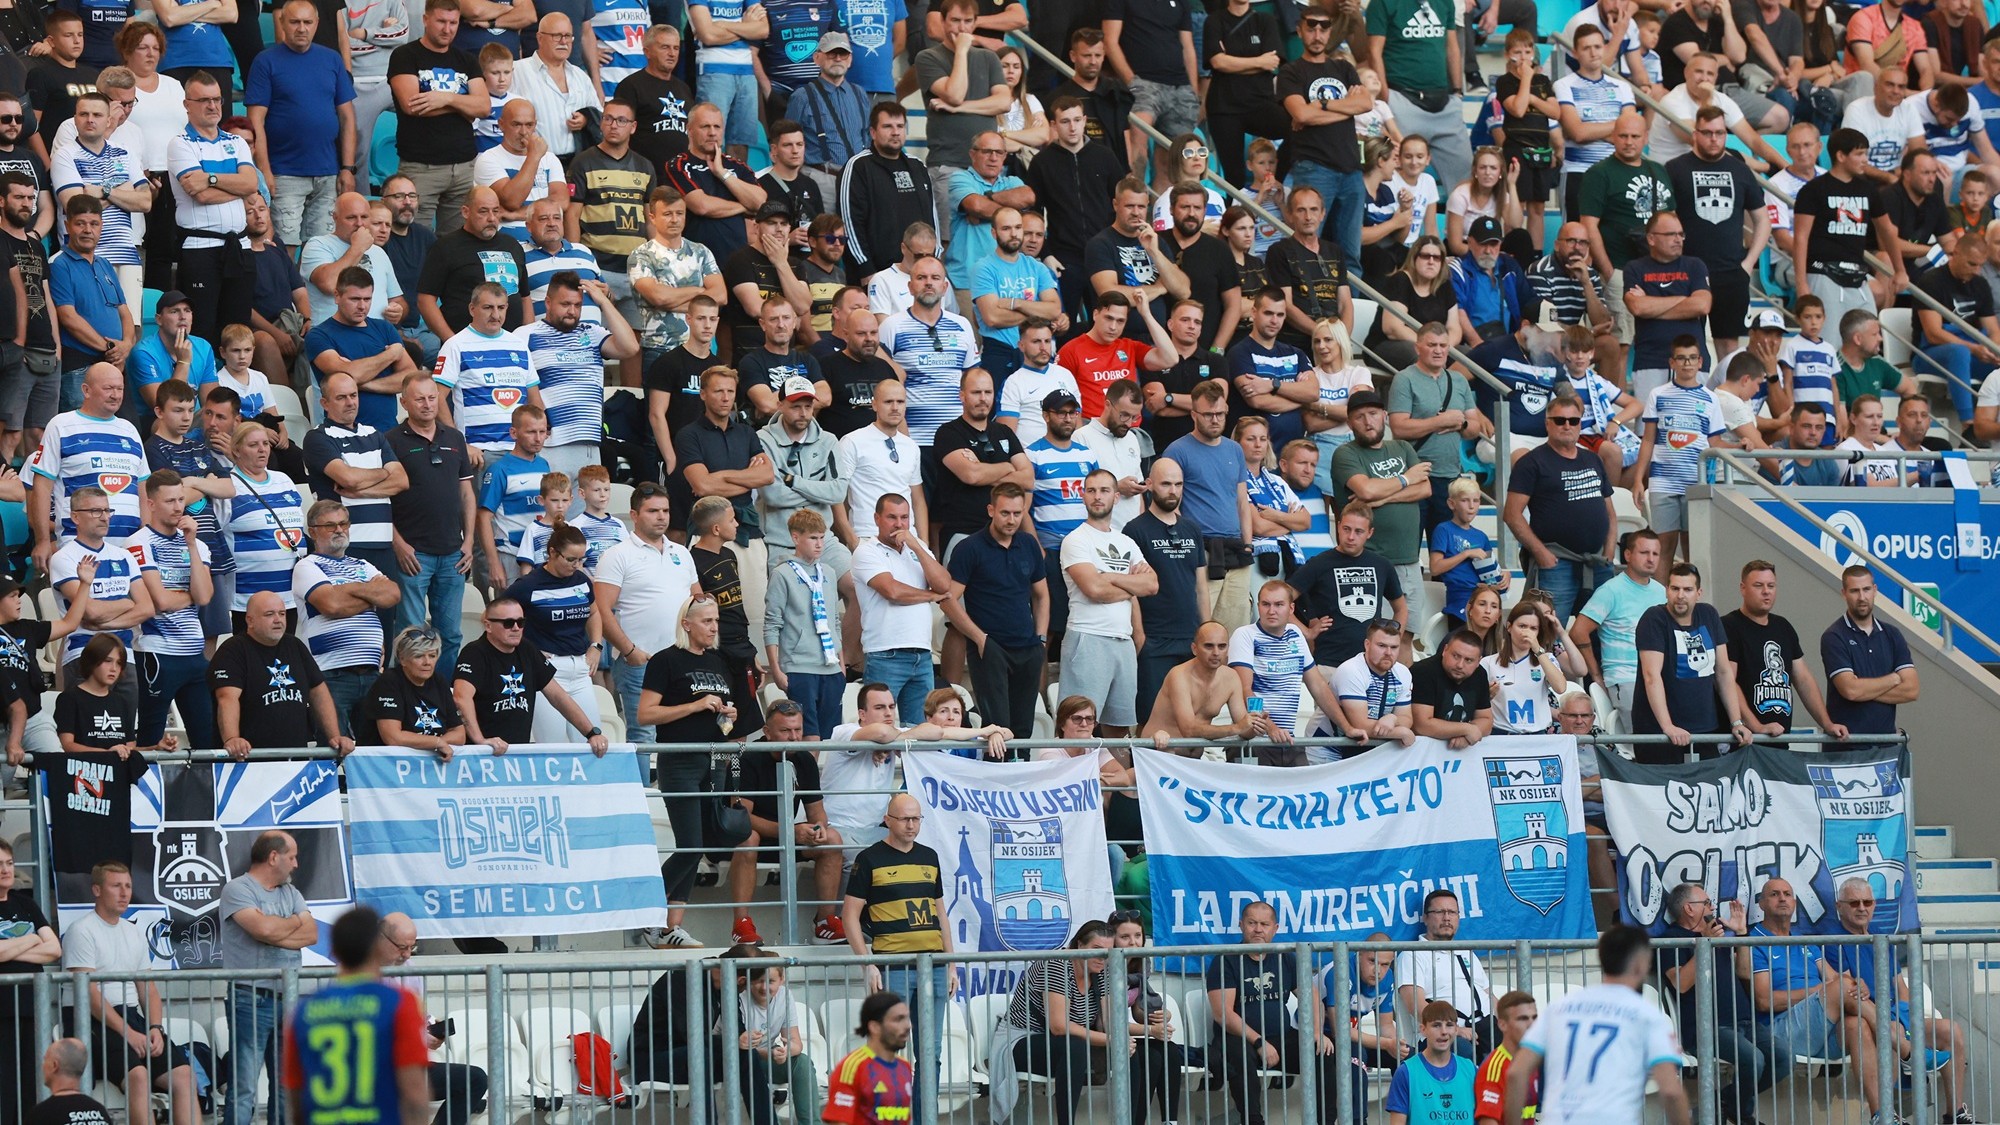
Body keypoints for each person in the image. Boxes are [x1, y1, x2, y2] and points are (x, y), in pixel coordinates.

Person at [1821, 879, 1978, 1125]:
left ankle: (1955, 1114)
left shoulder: (1880, 937)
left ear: (1874, 905)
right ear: (1839, 906)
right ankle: (1884, 1114)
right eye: (1854, 903)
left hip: (1894, 1019)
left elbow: (1901, 989)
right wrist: (1895, 1025)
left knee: (1951, 1030)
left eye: (1867, 902)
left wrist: (1903, 1020)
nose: (1862, 908)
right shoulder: (1833, 940)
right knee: (1884, 1030)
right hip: (1860, 1021)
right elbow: (1850, 992)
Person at [1502, 927, 1691, 1125]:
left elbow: (1516, 1073)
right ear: (1641, 963)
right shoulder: (1647, 1016)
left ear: (1601, 957)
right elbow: (1671, 1092)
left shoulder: (1560, 1008)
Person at [58, 860, 196, 1125]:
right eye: (116, 886)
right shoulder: (81, 930)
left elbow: (148, 987)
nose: (124, 893)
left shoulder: (134, 932)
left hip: (131, 1017)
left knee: (184, 1075)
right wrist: (128, 1033)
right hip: (91, 1021)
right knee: (138, 1076)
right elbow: (88, 993)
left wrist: (155, 1028)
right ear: (97, 890)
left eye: (128, 886)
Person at [841, 793, 953, 1115]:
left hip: (933, 965)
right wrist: (867, 963)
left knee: (930, 1052)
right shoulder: (869, 859)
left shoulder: (930, 857)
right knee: (889, 1050)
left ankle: (923, 1118)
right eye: (904, 818)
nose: (911, 825)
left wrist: (951, 964)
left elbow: (940, 913)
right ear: (887, 820)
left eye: (916, 818)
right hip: (893, 967)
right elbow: (849, 916)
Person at [636, 595, 738, 948]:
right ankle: (647, 909)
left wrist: (728, 715)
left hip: (714, 759)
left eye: (716, 620)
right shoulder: (666, 660)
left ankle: (669, 927)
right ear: (687, 624)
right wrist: (694, 705)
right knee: (691, 844)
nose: (713, 627)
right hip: (679, 759)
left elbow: (723, 719)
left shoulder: (718, 662)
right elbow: (645, 714)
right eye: (707, 621)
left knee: (699, 845)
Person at [1742, 877, 1885, 1122]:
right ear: (1761, 904)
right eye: (1774, 894)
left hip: (1819, 1029)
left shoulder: (1804, 941)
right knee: (1842, 989)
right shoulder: (1755, 941)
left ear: (1795, 902)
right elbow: (1764, 1001)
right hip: (1782, 1033)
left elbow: (1835, 979)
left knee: (1857, 1024)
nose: (1783, 898)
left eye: (1787, 893)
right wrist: (1825, 989)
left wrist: (1855, 984)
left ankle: (1881, 1114)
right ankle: (1901, 1042)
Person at [284, 906, 431, 1125]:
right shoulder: (399, 1003)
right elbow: (414, 1090)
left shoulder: (304, 1012)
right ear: (377, 947)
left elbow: (296, 1096)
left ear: (334, 950)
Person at [1206, 900, 1343, 1125]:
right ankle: (1253, 1121)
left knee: (1324, 1051)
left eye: (1264, 924)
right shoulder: (1225, 960)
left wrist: (1317, 1032)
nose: (1258, 929)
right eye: (1252, 923)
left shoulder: (1285, 958)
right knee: (1238, 1054)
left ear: (1275, 928)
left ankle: (1325, 1122)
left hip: (1280, 1038)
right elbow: (1223, 1015)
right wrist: (1259, 1042)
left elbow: (1312, 998)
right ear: (1241, 925)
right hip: (1239, 1040)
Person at [1654, 881, 1776, 1125]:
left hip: (1743, 1021)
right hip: (1707, 1028)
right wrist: (1705, 944)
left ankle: (1722, 1102)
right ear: (1689, 908)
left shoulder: (1715, 935)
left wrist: (1741, 935)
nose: (1712, 908)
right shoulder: (1672, 938)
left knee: (1782, 1058)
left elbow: (1744, 972)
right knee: (1754, 1060)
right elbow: (1680, 983)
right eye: (1707, 902)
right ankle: (1742, 1115)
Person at [220, 830, 316, 1125]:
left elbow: (311, 934)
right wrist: (293, 922)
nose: (296, 864)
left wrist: (274, 932)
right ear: (274, 857)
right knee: (244, 1087)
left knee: (286, 1085)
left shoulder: (291, 892)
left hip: (288, 999)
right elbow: (262, 930)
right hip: (250, 998)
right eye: (292, 857)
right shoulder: (238, 889)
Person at [246, 1, 359, 247]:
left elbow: (348, 117)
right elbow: (256, 121)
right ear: (282, 23)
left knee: (322, 248)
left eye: (307, 22)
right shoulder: (265, 61)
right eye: (294, 22)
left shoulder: (332, 59)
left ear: (317, 24)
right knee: (284, 246)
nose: (301, 28)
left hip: (328, 172)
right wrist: (265, 171)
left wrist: (347, 168)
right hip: (284, 172)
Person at [386, 376, 477, 671]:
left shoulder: (455, 438)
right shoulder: (390, 441)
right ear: (404, 403)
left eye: (432, 397)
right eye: (419, 399)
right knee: (411, 635)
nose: (427, 404)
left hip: (453, 553)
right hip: (413, 554)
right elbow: (381, 500)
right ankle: (408, 693)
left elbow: (467, 494)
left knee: (450, 635)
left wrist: (468, 541)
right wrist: (398, 544)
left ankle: (443, 691)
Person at [853, 493, 968, 722]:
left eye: (904, 517)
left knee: (920, 731)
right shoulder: (866, 551)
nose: (899, 524)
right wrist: (931, 596)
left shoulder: (917, 548)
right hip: (885, 653)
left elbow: (944, 584)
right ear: (876, 519)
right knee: (879, 729)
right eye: (892, 517)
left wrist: (916, 545)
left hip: (922, 654)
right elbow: (892, 591)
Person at [1503, 393, 1618, 621]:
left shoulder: (1593, 459)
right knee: (1549, 631)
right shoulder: (1531, 462)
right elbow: (1512, 514)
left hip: (1597, 562)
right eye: (1559, 420)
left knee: (1600, 633)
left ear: (1580, 424)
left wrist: (1609, 552)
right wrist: (1541, 553)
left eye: (1573, 421)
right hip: (1556, 563)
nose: (1567, 425)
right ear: (1547, 424)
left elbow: (1610, 513)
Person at [294, 499, 400, 738]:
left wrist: (345, 591)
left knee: (372, 751)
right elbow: (331, 605)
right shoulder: (307, 566)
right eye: (330, 525)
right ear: (313, 532)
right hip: (332, 675)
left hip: (372, 673)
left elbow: (393, 594)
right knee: (334, 747)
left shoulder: (363, 564)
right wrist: (370, 593)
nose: (339, 530)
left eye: (343, 523)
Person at [1061, 470, 1154, 736]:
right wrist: (1131, 584)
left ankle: (1114, 767)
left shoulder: (1126, 541)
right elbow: (1094, 589)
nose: (1097, 496)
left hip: (1122, 641)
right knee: (1078, 724)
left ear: (1116, 497)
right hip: (1087, 637)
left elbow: (1152, 585)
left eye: (1104, 490)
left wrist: (1110, 577)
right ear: (1083, 496)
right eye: (1091, 490)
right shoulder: (1076, 539)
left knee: (1120, 729)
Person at [128, 470, 214, 749]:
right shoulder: (138, 543)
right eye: (169, 501)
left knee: (206, 739)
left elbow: (204, 596)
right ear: (151, 504)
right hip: (157, 651)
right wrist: (189, 595)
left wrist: (190, 544)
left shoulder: (197, 544)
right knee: (151, 737)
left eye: (180, 499)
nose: (178, 507)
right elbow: (160, 603)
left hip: (194, 651)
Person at [1631, 562, 1750, 761]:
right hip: (1659, 733)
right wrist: (1668, 726)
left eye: (1687, 589)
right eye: (1675, 588)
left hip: (1705, 729)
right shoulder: (1654, 618)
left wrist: (1736, 722)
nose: (1681, 595)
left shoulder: (1709, 614)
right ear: (1666, 590)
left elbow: (1723, 672)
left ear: (1698, 593)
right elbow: (1651, 676)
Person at [211, 590, 352, 758]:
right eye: (269, 614)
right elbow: (226, 698)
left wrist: (334, 736)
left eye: (282, 613)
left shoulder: (295, 645)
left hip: (296, 760)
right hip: (249, 759)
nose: (278, 619)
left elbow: (319, 692)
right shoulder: (233, 650)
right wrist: (232, 739)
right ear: (250, 620)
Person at [388, 0, 489, 234]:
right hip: (421, 167)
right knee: (414, 237)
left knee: (456, 241)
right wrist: (464, 105)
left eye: (453, 23)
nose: (447, 29)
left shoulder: (466, 60)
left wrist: (445, 99)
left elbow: (484, 107)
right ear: (425, 20)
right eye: (441, 21)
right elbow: (412, 105)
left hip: (463, 166)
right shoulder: (405, 55)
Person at [1163, 379, 1255, 630]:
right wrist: (1185, 545)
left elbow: (1242, 500)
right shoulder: (1177, 451)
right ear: (1193, 414)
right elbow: (1171, 504)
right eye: (1208, 415)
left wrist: (1248, 544)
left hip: (1236, 548)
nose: (1215, 420)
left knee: (1236, 628)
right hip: (1201, 548)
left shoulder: (1234, 449)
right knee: (1201, 626)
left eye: (1220, 414)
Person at [1794, 127, 1909, 322]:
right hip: (1822, 273)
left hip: (1858, 275)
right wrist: (1802, 284)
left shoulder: (1868, 190)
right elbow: (1800, 237)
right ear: (1841, 156)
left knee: (1868, 334)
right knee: (1829, 336)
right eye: (1859, 154)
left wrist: (1900, 270)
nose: (1865, 160)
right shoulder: (1813, 189)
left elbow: (1887, 230)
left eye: (1865, 153)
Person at [1026, 98, 1124, 320]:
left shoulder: (1105, 156)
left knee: (1107, 322)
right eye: (1065, 121)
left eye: (1077, 120)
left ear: (1085, 121)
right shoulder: (1042, 163)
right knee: (1063, 325)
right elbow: (1034, 213)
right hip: (1064, 259)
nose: (1072, 127)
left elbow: (1121, 204)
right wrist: (1046, 254)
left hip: (1104, 256)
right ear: (1053, 125)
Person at [1633, 337, 1728, 564]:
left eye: (1692, 358)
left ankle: (1690, 589)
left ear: (1700, 362)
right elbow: (1648, 440)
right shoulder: (1658, 394)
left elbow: (1715, 442)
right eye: (1682, 358)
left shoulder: (1711, 399)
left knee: (1692, 549)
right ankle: (1660, 590)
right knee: (1662, 548)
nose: (1687, 363)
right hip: (1662, 482)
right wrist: (1638, 479)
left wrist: (1742, 445)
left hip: (1695, 482)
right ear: (1672, 362)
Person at [1229, 579, 1343, 757]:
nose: (1271, 611)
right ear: (1258, 606)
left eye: (1278, 604)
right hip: (1255, 741)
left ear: (1291, 609)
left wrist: (1347, 727)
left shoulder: (1295, 633)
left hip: (1287, 739)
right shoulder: (1245, 634)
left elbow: (1319, 686)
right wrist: (1271, 728)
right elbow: (1245, 690)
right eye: (1266, 604)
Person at [1290, 501, 1407, 670]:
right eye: (1346, 529)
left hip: (1370, 664)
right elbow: (1281, 600)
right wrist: (1306, 632)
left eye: (1358, 531)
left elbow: (1401, 609)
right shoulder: (1319, 563)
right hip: (1330, 662)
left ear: (1370, 533)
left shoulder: (1382, 565)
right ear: (1338, 526)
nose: (1351, 537)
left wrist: (1392, 643)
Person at [47, 200, 134, 414]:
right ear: (67, 226)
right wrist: (110, 348)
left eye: (94, 223)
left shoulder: (105, 264)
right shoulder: (59, 264)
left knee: (126, 427)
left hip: (114, 365)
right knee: (83, 429)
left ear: (101, 226)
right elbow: (68, 317)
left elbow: (124, 311)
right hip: (80, 367)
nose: (88, 230)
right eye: (80, 223)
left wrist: (126, 346)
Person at [840, 102, 938, 283]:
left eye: (900, 126)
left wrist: (934, 261)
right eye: (887, 126)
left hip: (920, 276)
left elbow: (932, 221)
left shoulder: (918, 166)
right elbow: (850, 224)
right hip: (876, 275)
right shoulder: (858, 166)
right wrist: (866, 270)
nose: (895, 132)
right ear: (873, 132)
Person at [222, 423, 306, 631]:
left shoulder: (283, 480)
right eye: (253, 445)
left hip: (288, 595)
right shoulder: (228, 485)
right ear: (236, 450)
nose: (262, 450)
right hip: (247, 596)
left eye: (266, 444)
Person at [1822, 565, 1921, 736]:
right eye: (1854, 591)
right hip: (1846, 745)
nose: (1862, 597)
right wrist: (1894, 679)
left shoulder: (1892, 634)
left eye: (1866, 589)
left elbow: (1912, 690)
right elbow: (1850, 691)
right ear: (1844, 593)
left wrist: (1863, 690)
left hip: (1887, 745)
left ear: (1875, 590)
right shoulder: (1834, 636)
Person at [785, 33, 871, 200]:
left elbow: (867, 136)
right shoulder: (802, 97)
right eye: (831, 53)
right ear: (817, 58)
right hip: (820, 180)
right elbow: (788, 141)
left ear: (850, 60)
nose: (838, 58)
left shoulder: (859, 93)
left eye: (843, 54)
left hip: (859, 180)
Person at [823, 992, 915, 1125]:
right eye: (898, 1019)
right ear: (875, 1027)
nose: (907, 1026)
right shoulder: (853, 1066)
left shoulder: (904, 1067)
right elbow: (839, 1121)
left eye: (907, 1018)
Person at [1327, 619, 1417, 748]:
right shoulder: (1351, 670)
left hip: (1367, 748)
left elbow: (1406, 718)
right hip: (1329, 747)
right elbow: (1360, 726)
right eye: (1381, 646)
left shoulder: (1403, 672)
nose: (1388, 653)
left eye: (1394, 647)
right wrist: (1401, 732)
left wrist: (1393, 719)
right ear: (1367, 645)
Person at [1386, 1000, 1476, 1125]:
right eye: (1436, 1025)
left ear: (1456, 1029)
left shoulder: (1470, 1070)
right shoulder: (1406, 1072)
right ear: (1423, 1029)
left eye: (1449, 1025)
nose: (1444, 1031)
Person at [1410, 630, 1495, 750]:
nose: (1460, 665)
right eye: (1456, 656)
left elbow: (1486, 720)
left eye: (1468, 660)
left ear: (1478, 662)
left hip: (1459, 751)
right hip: (1420, 750)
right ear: (1445, 650)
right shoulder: (1423, 671)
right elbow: (1421, 725)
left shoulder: (1480, 674)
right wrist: (1467, 729)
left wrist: (1465, 737)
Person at [28, 1040, 113, 1125]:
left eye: (45, 1059)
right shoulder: (100, 1112)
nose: (42, 1065)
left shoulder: (41, 1114)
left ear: (54, 1065)